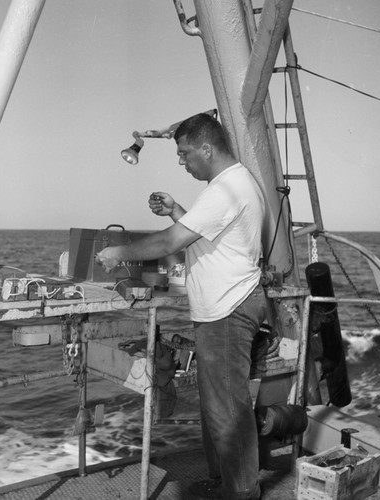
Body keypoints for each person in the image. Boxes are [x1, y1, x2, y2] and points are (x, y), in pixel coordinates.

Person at [96, 113, 267, 500]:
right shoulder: (231, 184)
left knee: (228, 408)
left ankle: (242, 492)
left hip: (228, 310)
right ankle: (225, 481)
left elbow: (168, 244)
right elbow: (205, 235)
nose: (181, 161)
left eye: (184, 153)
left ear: (207, 148)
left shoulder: (226, 189)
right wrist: (176, 209)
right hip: (224, 308)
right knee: (217, 404)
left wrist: (116, 253)